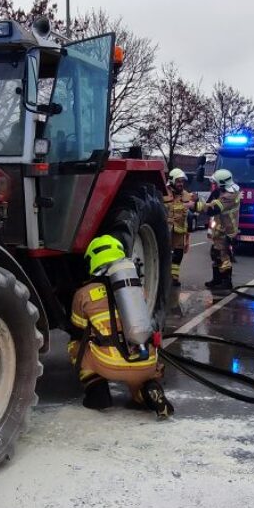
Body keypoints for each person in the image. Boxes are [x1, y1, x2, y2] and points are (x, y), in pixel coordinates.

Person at [68, 235, 174, 417]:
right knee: (139, 381)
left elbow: (78, 331)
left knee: (75, 346)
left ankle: (97, 389)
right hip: (146, 361)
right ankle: (148, 391)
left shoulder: (84, 294)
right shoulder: (137, 289)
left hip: (108, 363)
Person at [204, 168, 241, 293]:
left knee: (223, 256)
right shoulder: (228, 191)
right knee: (215, 253)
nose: (214, 185)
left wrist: (195, 205)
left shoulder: (228, 196)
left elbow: (211, 210)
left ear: (222, 183)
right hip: (221, 229)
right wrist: (215, 194)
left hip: (226, 231)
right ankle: (217, 279)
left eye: (216, 183)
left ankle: (226, 282)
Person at [164, 168, 195, 286]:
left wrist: (196, 203)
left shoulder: (187, 195)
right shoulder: (164, 193)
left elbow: (193, 208)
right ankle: (163, 277)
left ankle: (174, 278)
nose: (181, 184)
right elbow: (166, 209)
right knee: (165, 254)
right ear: (171, 181)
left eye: (182, 181)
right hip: (166, 231)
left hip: (180, 232)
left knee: (178, 256)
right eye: (178, 181)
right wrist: (184, 206)